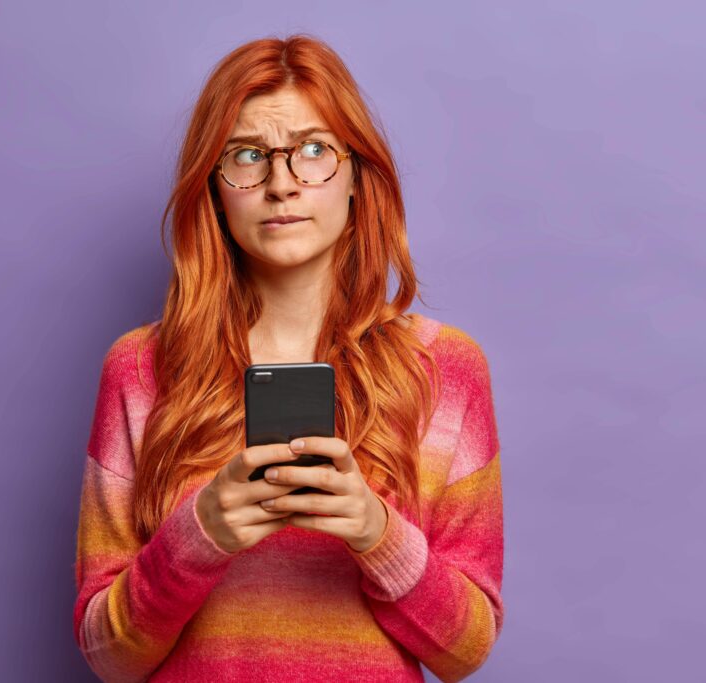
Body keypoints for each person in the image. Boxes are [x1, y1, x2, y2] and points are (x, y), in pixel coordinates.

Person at [73, 33, 504, 682]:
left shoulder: (446, 369)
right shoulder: (139, 369)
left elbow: (466, 649)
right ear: (215, 188)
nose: (282, 184)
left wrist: (375, 531)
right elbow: (108, 655)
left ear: (358, 175)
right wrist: (197, 536)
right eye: (247, 155)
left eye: (313, 151)